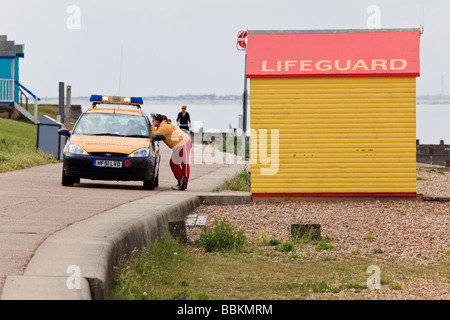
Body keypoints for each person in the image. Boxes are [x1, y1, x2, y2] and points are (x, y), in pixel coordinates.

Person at [151, 114, 192, 190]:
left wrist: (152, 126)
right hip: (177, 146)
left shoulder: (164, 127)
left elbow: (155, 134)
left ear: (158, 121)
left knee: (184, 163)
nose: (153, 122)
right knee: (173, 163)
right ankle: (181, 180)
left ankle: (184, 184)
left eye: (154, 121)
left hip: (184, 142)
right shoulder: (163, 125)